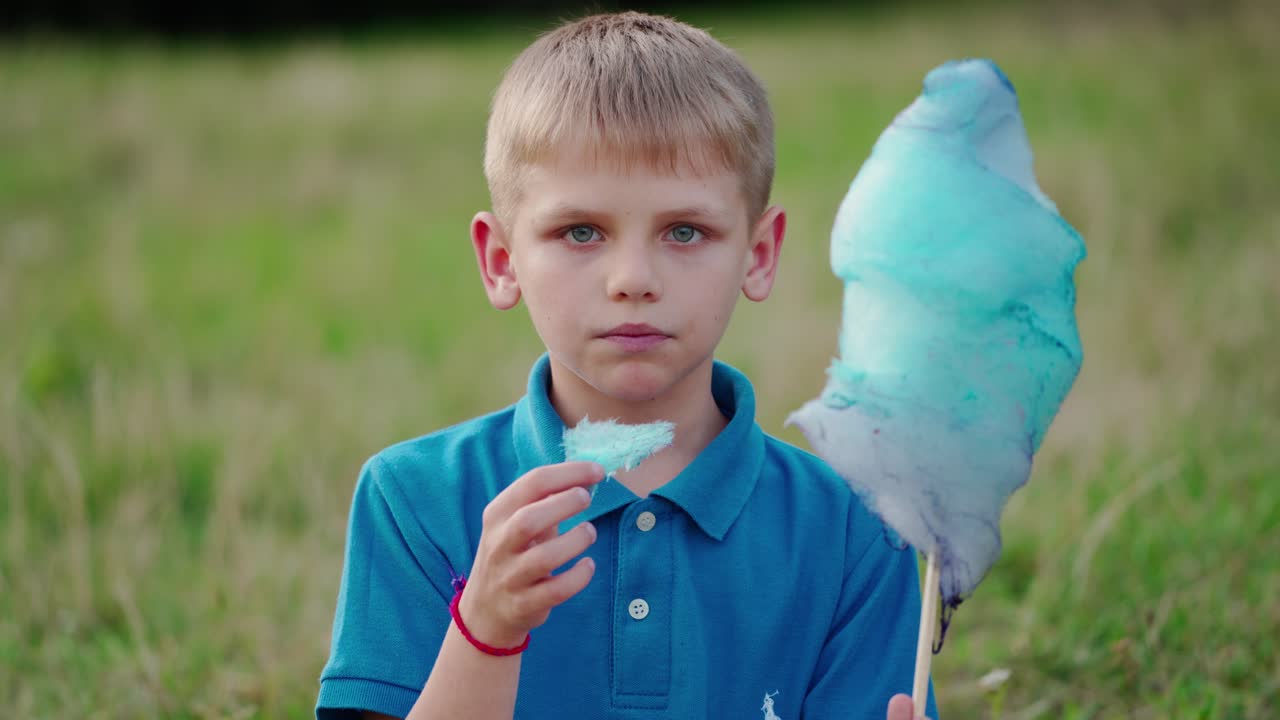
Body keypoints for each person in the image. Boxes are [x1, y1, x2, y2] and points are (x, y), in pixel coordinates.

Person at [317, 11, 938, 720]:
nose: (632, 278)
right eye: (580, 231)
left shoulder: (854, 530)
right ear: (501, 261)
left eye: (685, 231)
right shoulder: (414, 500)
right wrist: (484, 632)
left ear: (758, 255)